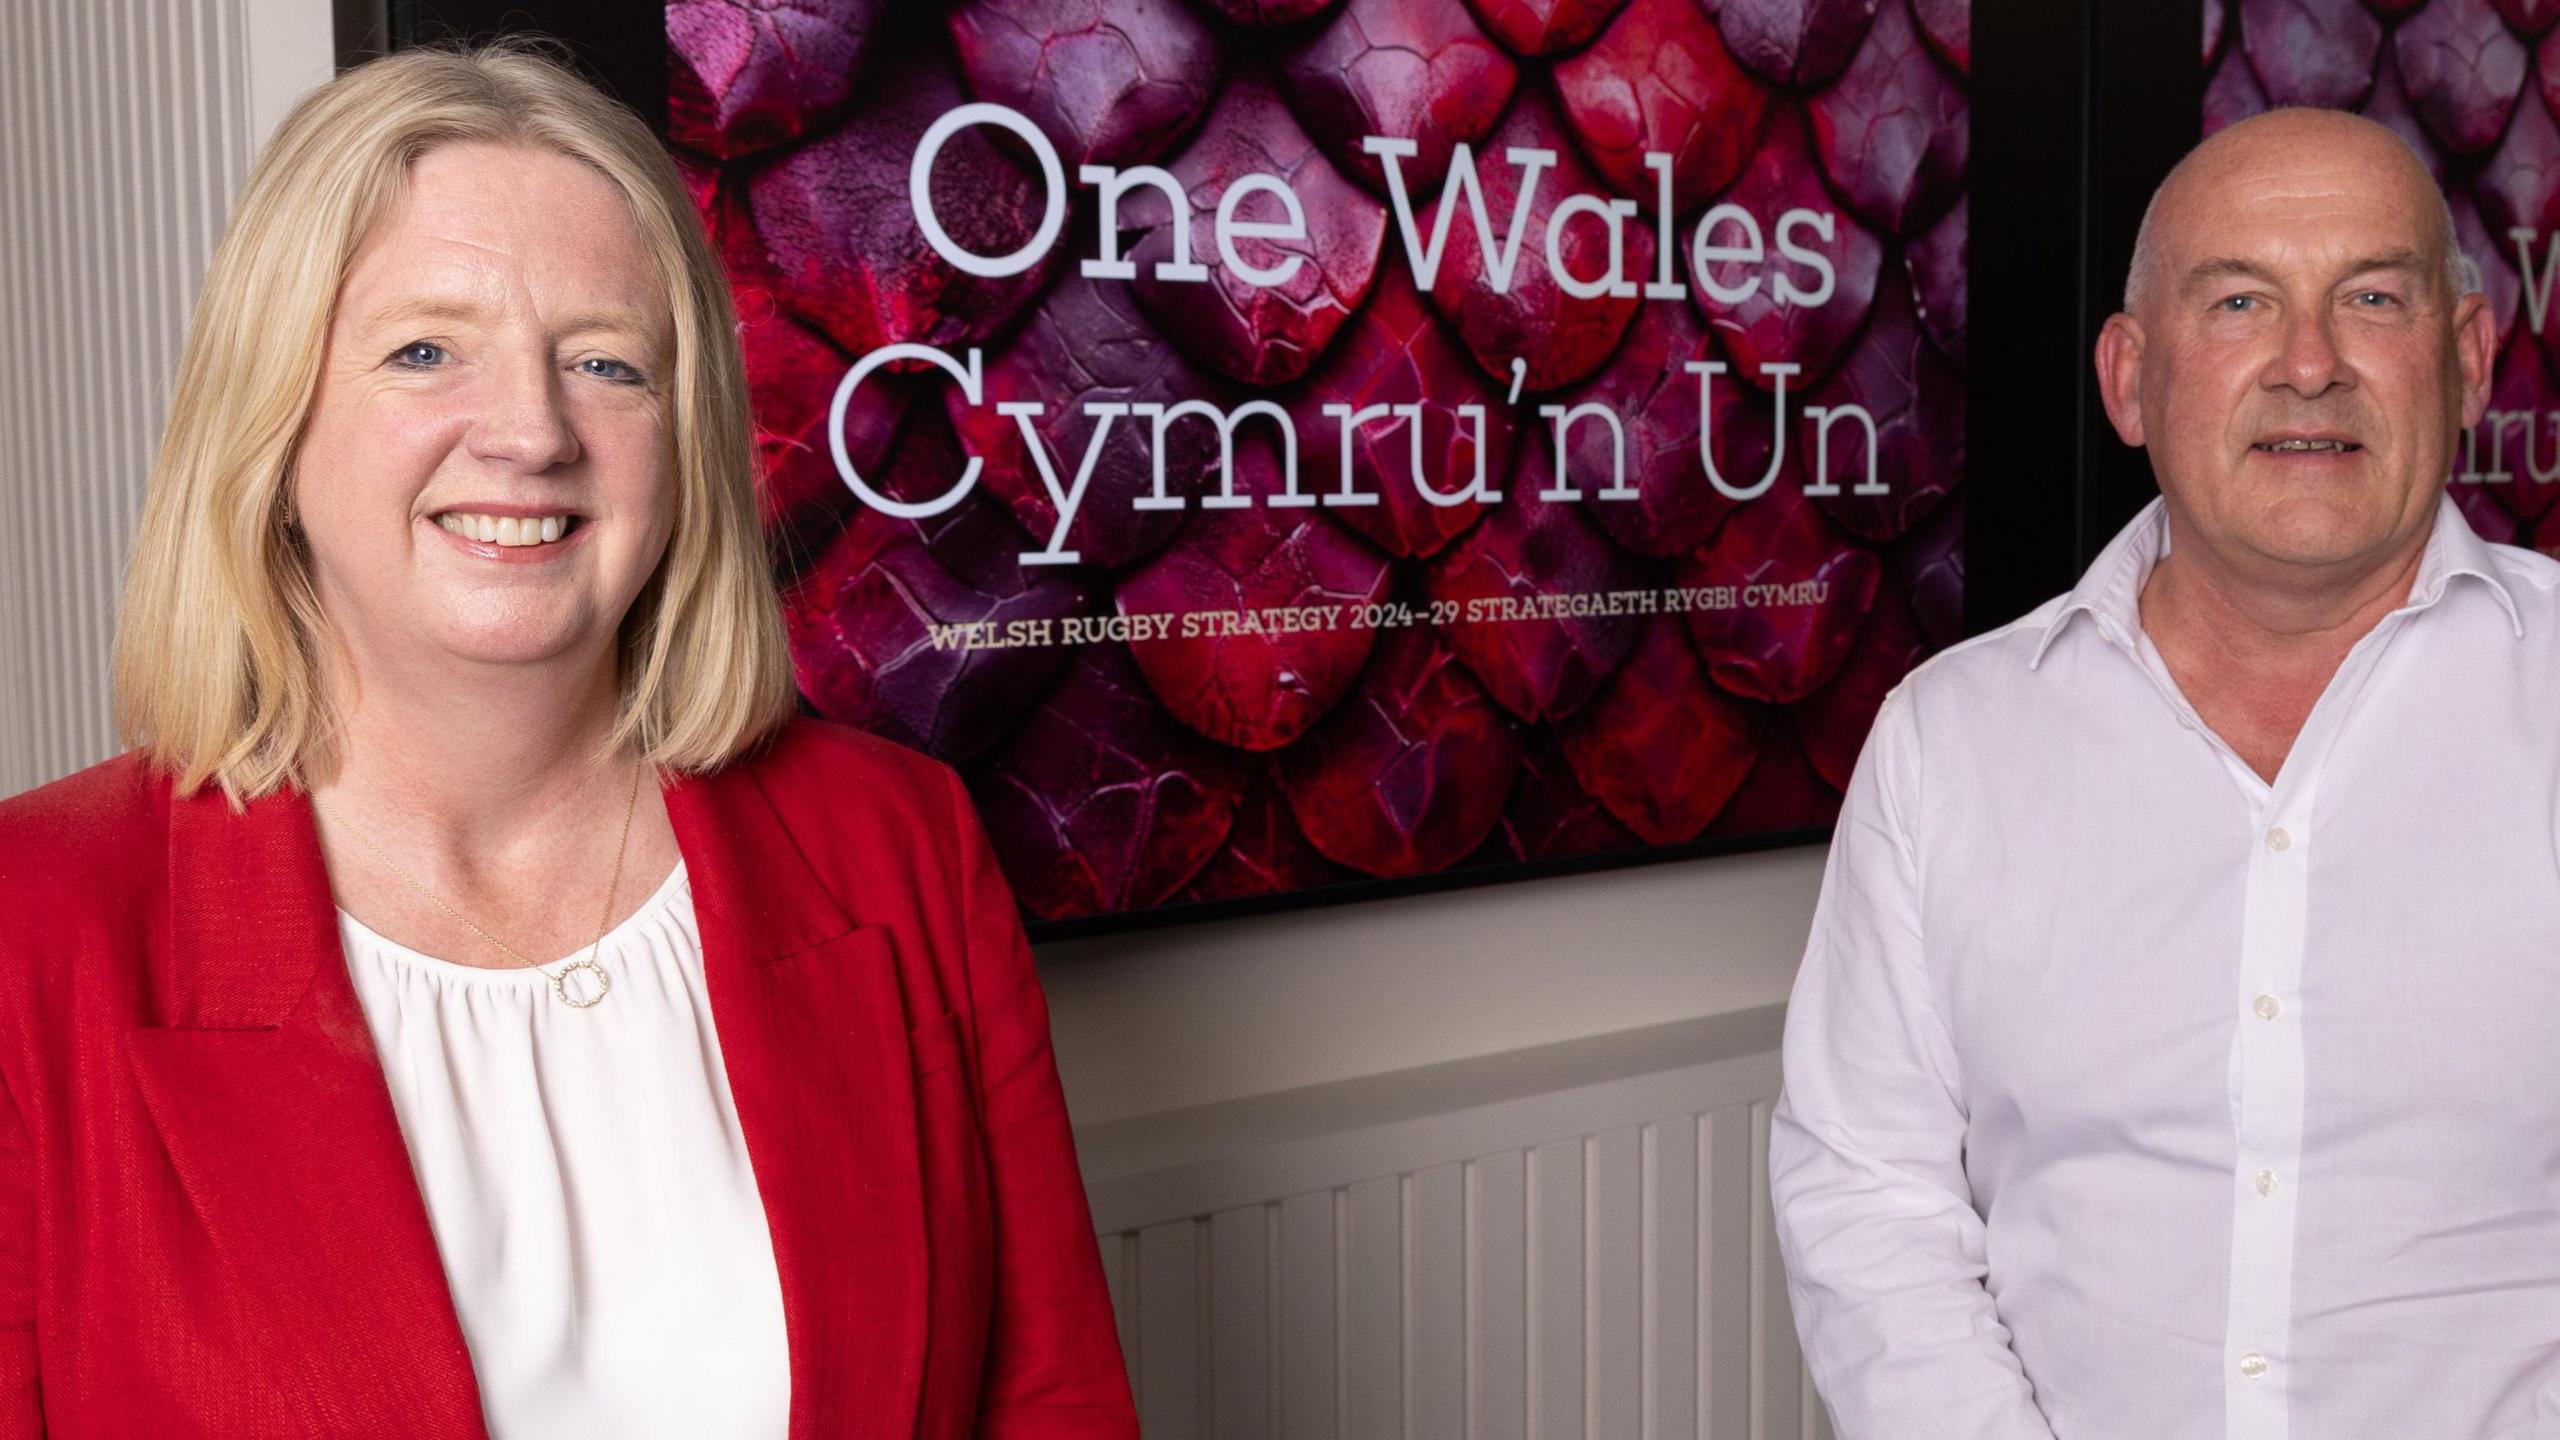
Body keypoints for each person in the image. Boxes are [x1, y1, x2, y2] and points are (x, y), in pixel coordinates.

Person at [0, 40, 1135, 1439]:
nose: (531, 433)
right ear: (272, 430)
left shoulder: (898, 845)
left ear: (687, 437)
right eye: (425, 351)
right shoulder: (33, 928)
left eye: (607, 363)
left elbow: (1054, 1407)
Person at [1768, 106, 2560, 1439]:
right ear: (2131, 380)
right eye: (2241, 301)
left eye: (2372, 295)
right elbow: (1870, 1195)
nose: (2310, 365)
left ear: (2468, 362)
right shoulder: (1949, 745)